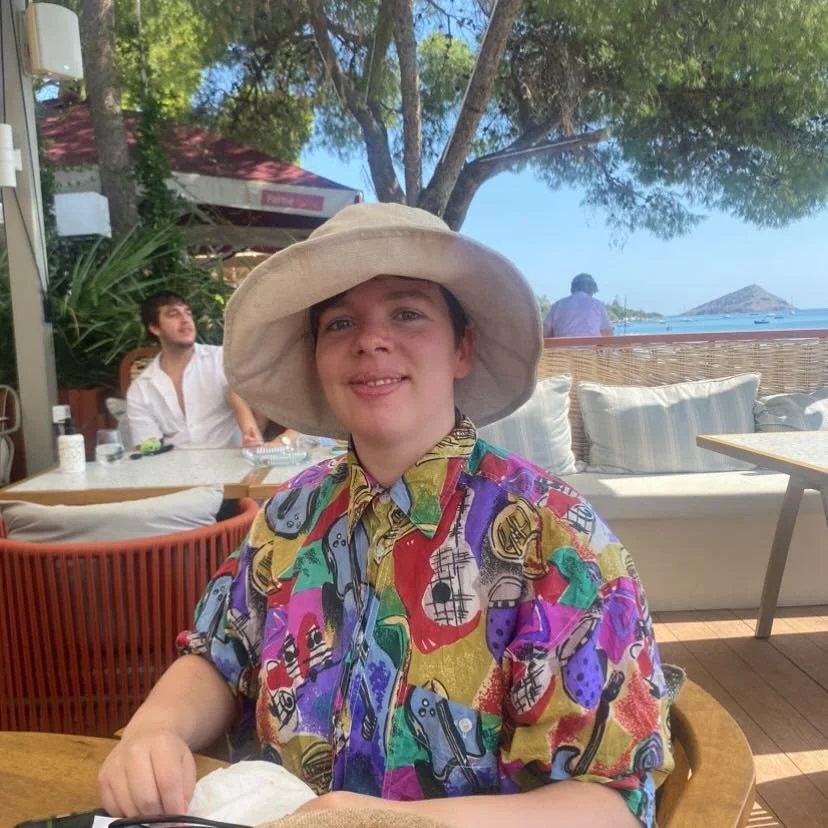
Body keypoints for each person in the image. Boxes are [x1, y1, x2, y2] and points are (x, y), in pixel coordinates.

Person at [99, 205, 673, 827]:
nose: (371, 340)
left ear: (462, 348)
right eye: (340, 322)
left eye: (407, 313)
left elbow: (612, 803)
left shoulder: (557, 539)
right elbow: (219, 656)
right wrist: (152, 733)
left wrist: (389, 823)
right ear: (318, 361)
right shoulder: (290, 513)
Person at [126, 291, 265, 449]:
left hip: (230, 462)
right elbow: (148, 448)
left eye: (188, 313)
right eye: (173, 314)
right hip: (174, 469)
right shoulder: (141, 389)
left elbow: (261, 408)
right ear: (155, 328)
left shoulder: (223, 361)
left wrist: (254, 437)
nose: (185, 320)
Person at [543, 273, 613, 338]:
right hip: (590, 350)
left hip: (561, 350)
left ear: (573, 288)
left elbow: (545, 333)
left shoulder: (558, 305)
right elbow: (607, 335)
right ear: (592, 289)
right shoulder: (598, 305)